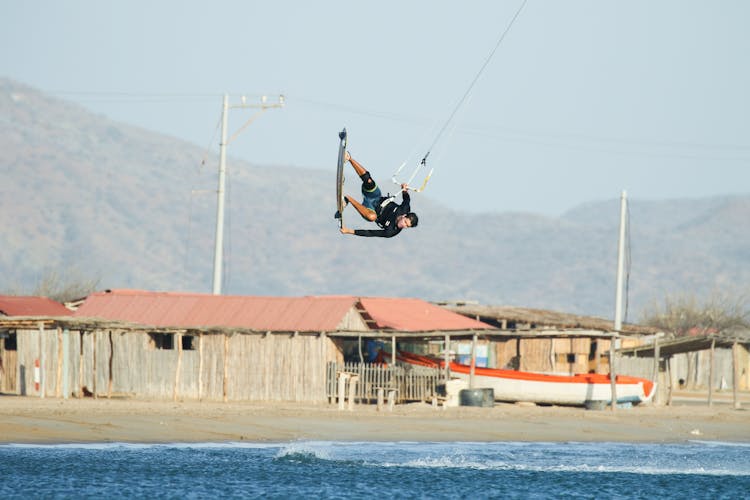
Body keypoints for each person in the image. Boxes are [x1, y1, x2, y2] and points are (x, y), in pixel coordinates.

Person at [337, 151, 419, 238]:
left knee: (372, 217)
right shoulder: (405, 209)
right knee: (369, 181)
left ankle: (347, 199)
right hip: (375, 197)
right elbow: (407, 200)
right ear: (404, 216)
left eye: (407, 226)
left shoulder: (391, 231)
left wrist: (348, 231)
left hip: (370, 209)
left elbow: (371, 233)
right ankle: (349, 158)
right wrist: (404, 190)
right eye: (405, 222)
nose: (404, 226)